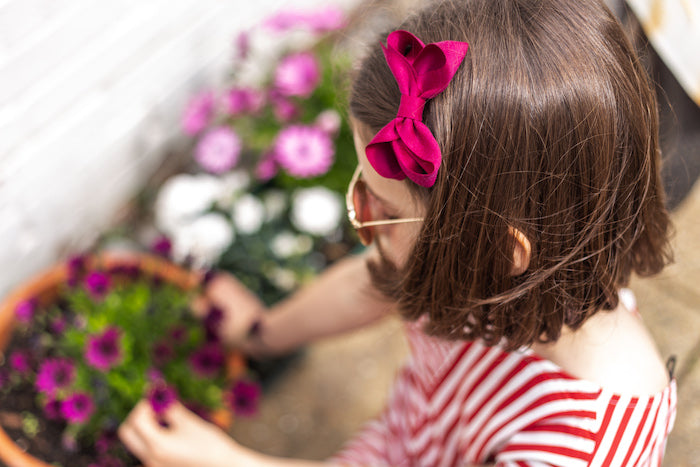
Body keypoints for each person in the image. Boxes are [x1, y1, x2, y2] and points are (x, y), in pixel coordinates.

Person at [118, 0, 678, 465]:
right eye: (359, 185)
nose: (358, 218)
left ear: (495, 250)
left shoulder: (588, 448)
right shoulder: (478, 271)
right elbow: (376, 279)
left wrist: (226, 462)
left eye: (378, 207)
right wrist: (260, 332)